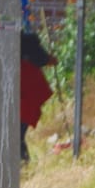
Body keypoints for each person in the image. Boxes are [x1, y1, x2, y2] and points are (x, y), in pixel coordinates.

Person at [19, 28, 55, 161]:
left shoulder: (25, 44)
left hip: (25, 98)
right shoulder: (29, 44)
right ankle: (23, 164)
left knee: (17, 135)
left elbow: (47, 60)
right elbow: (49, 60)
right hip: (26, 97)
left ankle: (23, 164)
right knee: (18, 134)